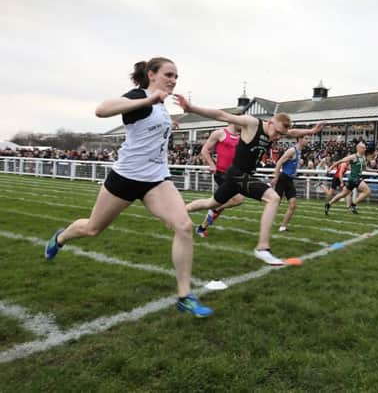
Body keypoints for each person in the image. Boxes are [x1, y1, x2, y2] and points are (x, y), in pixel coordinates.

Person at [44, 57, 213, 317]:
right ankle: (61, 237)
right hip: (126, 177)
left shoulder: (161, 106)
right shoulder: (139, 97)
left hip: (157, 179)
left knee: (184, 226)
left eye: (176, 76)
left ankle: (184, 295)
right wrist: (147, 100)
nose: (173, 80)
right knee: (92, 228)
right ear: (151, 74)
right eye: (169, 74)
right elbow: (101, 110)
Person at [179, 98, 324, 265]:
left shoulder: (275, 131)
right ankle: (262, 248)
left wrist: (312, 131)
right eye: (276, 133)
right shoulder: (251, 123)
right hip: (238, 174)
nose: (277, 137)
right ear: (270, 123)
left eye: (280, 135)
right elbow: (221, 114)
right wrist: (191, 108)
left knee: (211, 203)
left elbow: (292, 133)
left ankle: (181, 211)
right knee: (273, 198)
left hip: (239, 176)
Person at [192, 118, 244, 238]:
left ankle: (202, 227)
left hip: (234, 173)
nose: (243, 123)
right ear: (233, 121)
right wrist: (211, 164)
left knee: (221, 202)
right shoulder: (220, 133)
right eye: (241, 121)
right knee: (238, 199)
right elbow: (204, 150)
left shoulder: (242, 137)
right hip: (222, 173)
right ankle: (183, 212)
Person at [271, 135, 310, 232]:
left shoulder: (299, 152)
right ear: (299, 139)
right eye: (306, 138)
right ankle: (266, 222)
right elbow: (279, 162)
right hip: (283, 179)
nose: (308, 141)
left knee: (293, 205)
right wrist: (275, 177)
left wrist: (298, 163)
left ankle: (283, 227)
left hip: (289, 180)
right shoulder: (292, 150)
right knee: (275, 204)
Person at [324, 142, 374, 215]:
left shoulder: (363, 157)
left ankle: (328, 204)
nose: (365, 149)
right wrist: (330, 168)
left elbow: (365, 168)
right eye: (363, 148)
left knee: (343, 194)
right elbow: (340, 161)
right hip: (354, 178)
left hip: (355, 179)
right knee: (367, 191)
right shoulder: (353, 157)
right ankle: (353, 204)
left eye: (365, 148)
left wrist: (376, 171)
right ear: (358, 148)